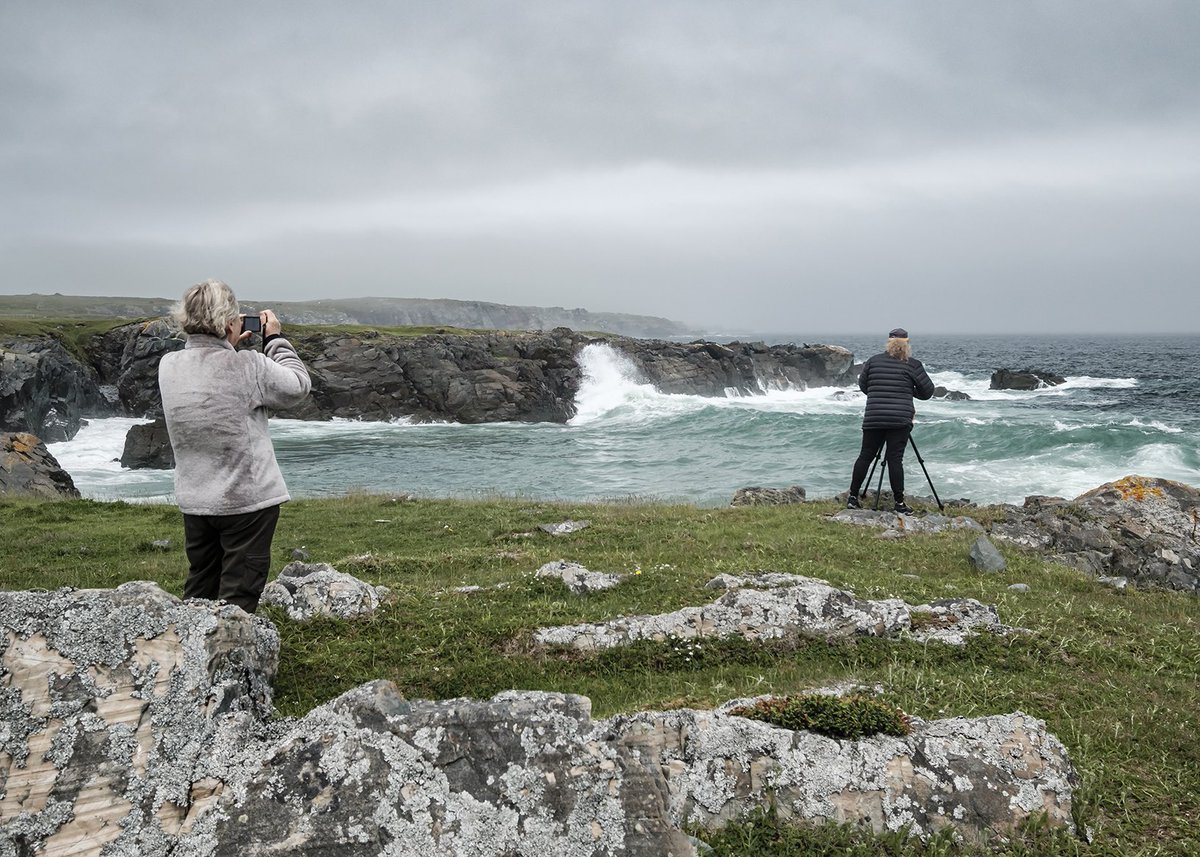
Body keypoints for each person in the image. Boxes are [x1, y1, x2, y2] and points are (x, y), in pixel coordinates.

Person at [158, 279, 311, 613]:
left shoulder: (168, 365)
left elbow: (210, 370)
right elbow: (298, 386)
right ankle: (231, 659)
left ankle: (189, 653)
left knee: (201, 585)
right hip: (247, 503)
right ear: (228, 323)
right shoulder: (249, 366)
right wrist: (275, 339)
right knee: (238, 596)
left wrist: (228, 345)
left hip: (197, 502)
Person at [846, 327, 934, 514]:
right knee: (895, 459)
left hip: (874, 417)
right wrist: (909, 392)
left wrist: (879, 395)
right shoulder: (913, 364)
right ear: (907, 344)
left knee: (866, 455)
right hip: (900, 419)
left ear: (888, 343)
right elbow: (928, 392)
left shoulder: (873, 362)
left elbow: (864, 386)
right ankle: (899, 503)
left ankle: (852, 498)